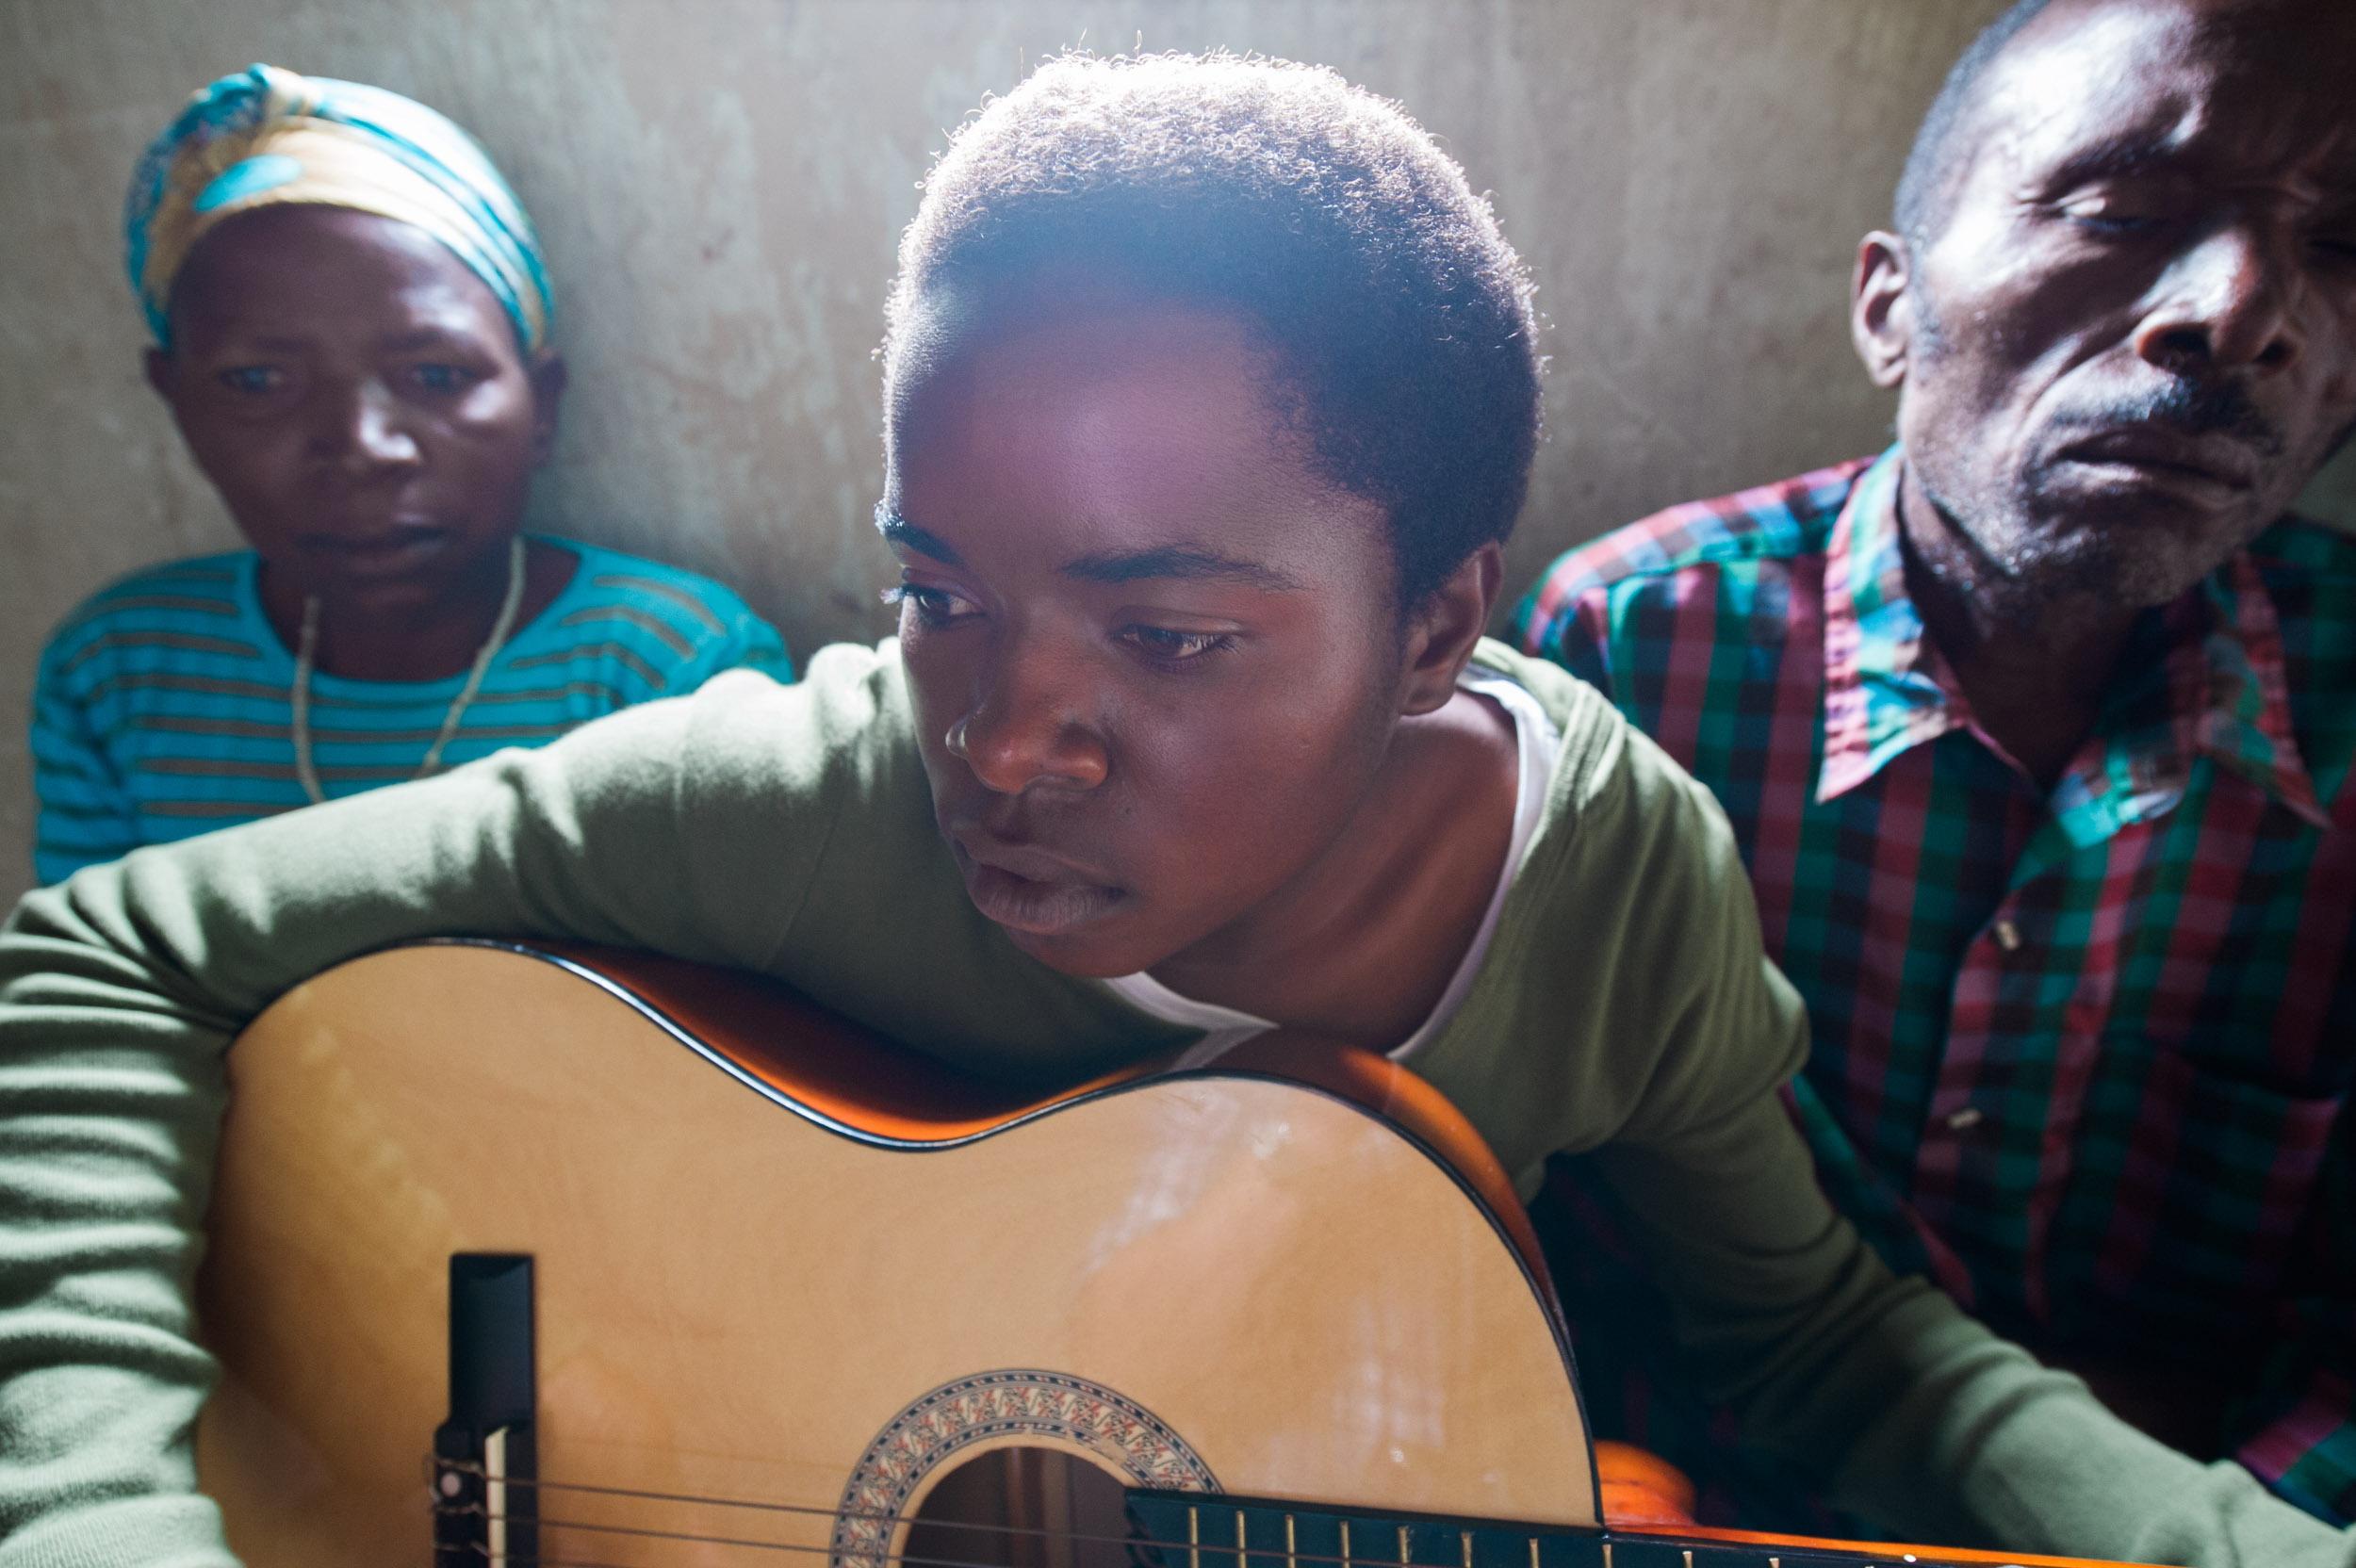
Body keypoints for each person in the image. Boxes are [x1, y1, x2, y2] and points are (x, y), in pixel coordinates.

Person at [0, 51, 2346, 1568]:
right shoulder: (816, 787)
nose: (1004, 733)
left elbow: (1822, 1340)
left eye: (1170, 631)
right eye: (941, 589)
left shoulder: (1617, 886)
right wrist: (99, 1512)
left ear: (1438, 625)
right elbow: (95, 944)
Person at [1513, 0, 2356, 1530]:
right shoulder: (1628, 658)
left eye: (2343, 247)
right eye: (2123, 211)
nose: (2245, 308)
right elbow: (1555, 1254)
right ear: (1890, 307)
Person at [28, 65, 792, 884]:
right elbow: (91, 992)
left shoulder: (667, 669)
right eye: (259, 383)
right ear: (176, 403)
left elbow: (729, 1007)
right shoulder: (121, 673)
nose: (362, 447)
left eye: (435, 374)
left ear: (542, 404)